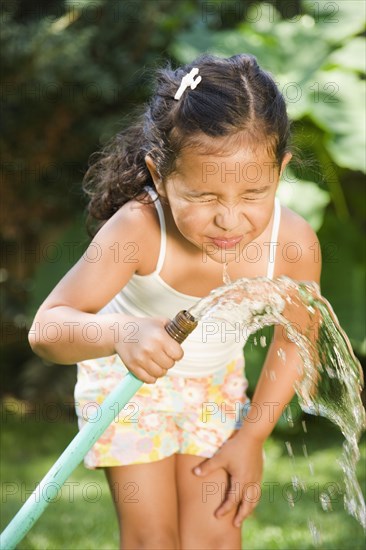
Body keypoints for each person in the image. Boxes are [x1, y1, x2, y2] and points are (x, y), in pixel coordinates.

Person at [29, 53, 321, 550]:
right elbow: (47, 331)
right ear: (159, 177)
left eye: (254, 192)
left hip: (215, 391)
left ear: (281, 170)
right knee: (153, 540)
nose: (230, 220)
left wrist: (252, 437)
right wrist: (121, 333)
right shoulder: (139, 230)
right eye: (205, 197)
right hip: (129, 390)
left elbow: (297, 340)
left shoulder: (291, 243)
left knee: (215, 537)